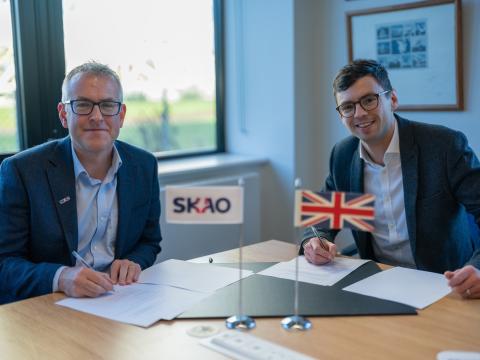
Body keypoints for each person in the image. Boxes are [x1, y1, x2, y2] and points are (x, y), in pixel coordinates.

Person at [301, 59, 480, 299]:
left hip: (445, 283)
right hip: (377, 282)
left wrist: (478, 268)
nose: (360, 113)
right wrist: (314, 241)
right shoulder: (343, 155)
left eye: (369, 100)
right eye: (348, 107)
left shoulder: (443, 147)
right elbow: (321, 218)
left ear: (392, 99)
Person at [0, 62, 162, 304]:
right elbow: (5, 262)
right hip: (49, 305)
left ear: (121, 115)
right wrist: (61, 277)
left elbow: (149, 241)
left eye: (108, 105)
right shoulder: (22, 171)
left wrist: (134, 262)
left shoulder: (144, 166)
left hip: (119, 299)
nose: (97, 116)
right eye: (83, 104)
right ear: (64, 114)